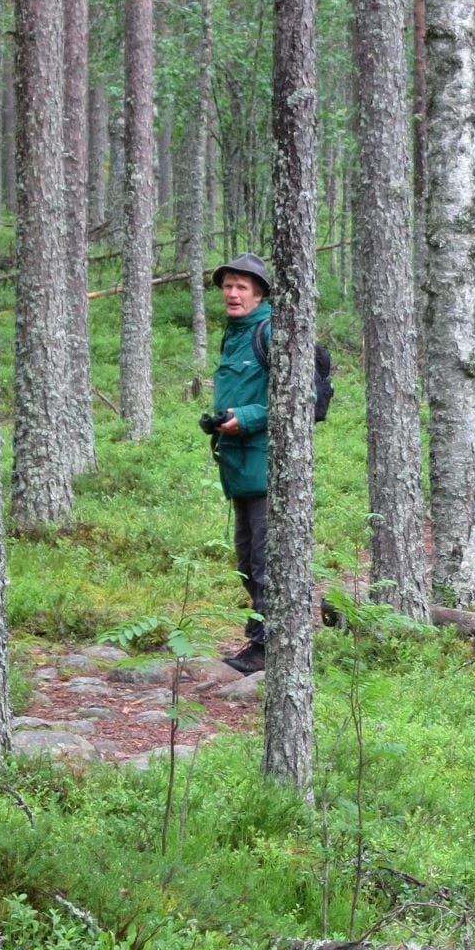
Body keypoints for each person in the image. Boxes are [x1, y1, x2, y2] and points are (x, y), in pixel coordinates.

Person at [204, 254, 272, 673]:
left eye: (241, 287)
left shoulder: (270, 332)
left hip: (268, 469)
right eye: (228, 286)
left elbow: (290, 398)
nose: (232, 293)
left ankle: (268, 647)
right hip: (239, 468)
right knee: (247, 562)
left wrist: (243, 419)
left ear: (259, 293)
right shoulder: (234, 334)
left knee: (267, 562)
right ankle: (259, 638)